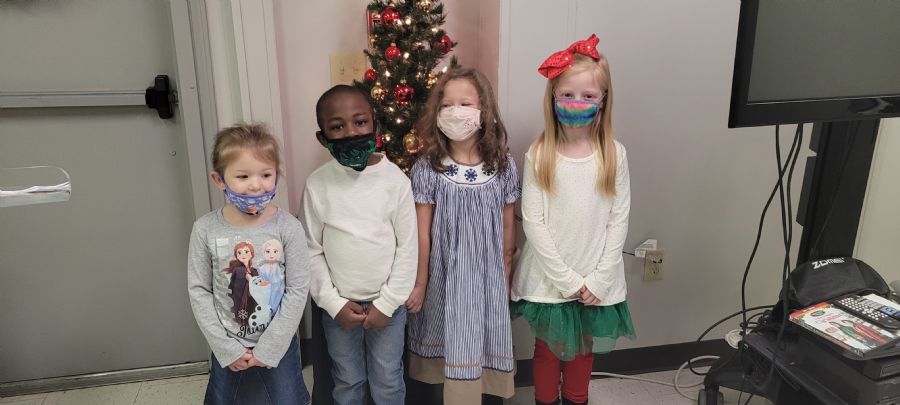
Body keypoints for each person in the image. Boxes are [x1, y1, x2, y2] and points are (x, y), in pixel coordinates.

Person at [510, 34, 636, 405]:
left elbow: (619, 219)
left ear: (603, 99)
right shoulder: (539, 154)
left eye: (587, 95)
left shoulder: (614, 154)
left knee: (582, 350)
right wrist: (565, 279)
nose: (576, 102)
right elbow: (533, 221)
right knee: (548, 352)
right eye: (567, 94)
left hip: (595, 277)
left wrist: (600, 277)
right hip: (551, 278)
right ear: (552, 97)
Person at [406, 66, 519, 405]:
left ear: (484, 109)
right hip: (444, 275)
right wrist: (421, 282)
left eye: (465, 104)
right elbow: (422, 232)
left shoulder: (502, 166)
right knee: (447, 338)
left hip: (487, 277)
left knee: (483, 338)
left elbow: (508, 226)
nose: (456, 112)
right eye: (447, 105)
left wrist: (506, 271)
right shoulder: (429, 167)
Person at [303, 84, 418, 405]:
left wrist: (387, 303)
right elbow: (311, 250)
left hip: (388, 307)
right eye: (337, 127)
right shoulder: (317, 185)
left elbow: (408, 248)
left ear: (374, 125)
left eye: (360, 122)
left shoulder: (396, 182)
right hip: (340, 308)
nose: (351, 132)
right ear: (323, 138)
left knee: (388, 379)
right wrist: (333, 304)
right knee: (348, 380)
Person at [187, 122, 310, 405]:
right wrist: (224, 346)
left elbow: (297, 289)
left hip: (279, 343)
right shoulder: (204, 229)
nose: (256, 185)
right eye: (243, 176)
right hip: (227, 342)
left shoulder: (289, 228)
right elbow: (199, 290)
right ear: (219, 179)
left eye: (266, 174)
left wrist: (272, 345)